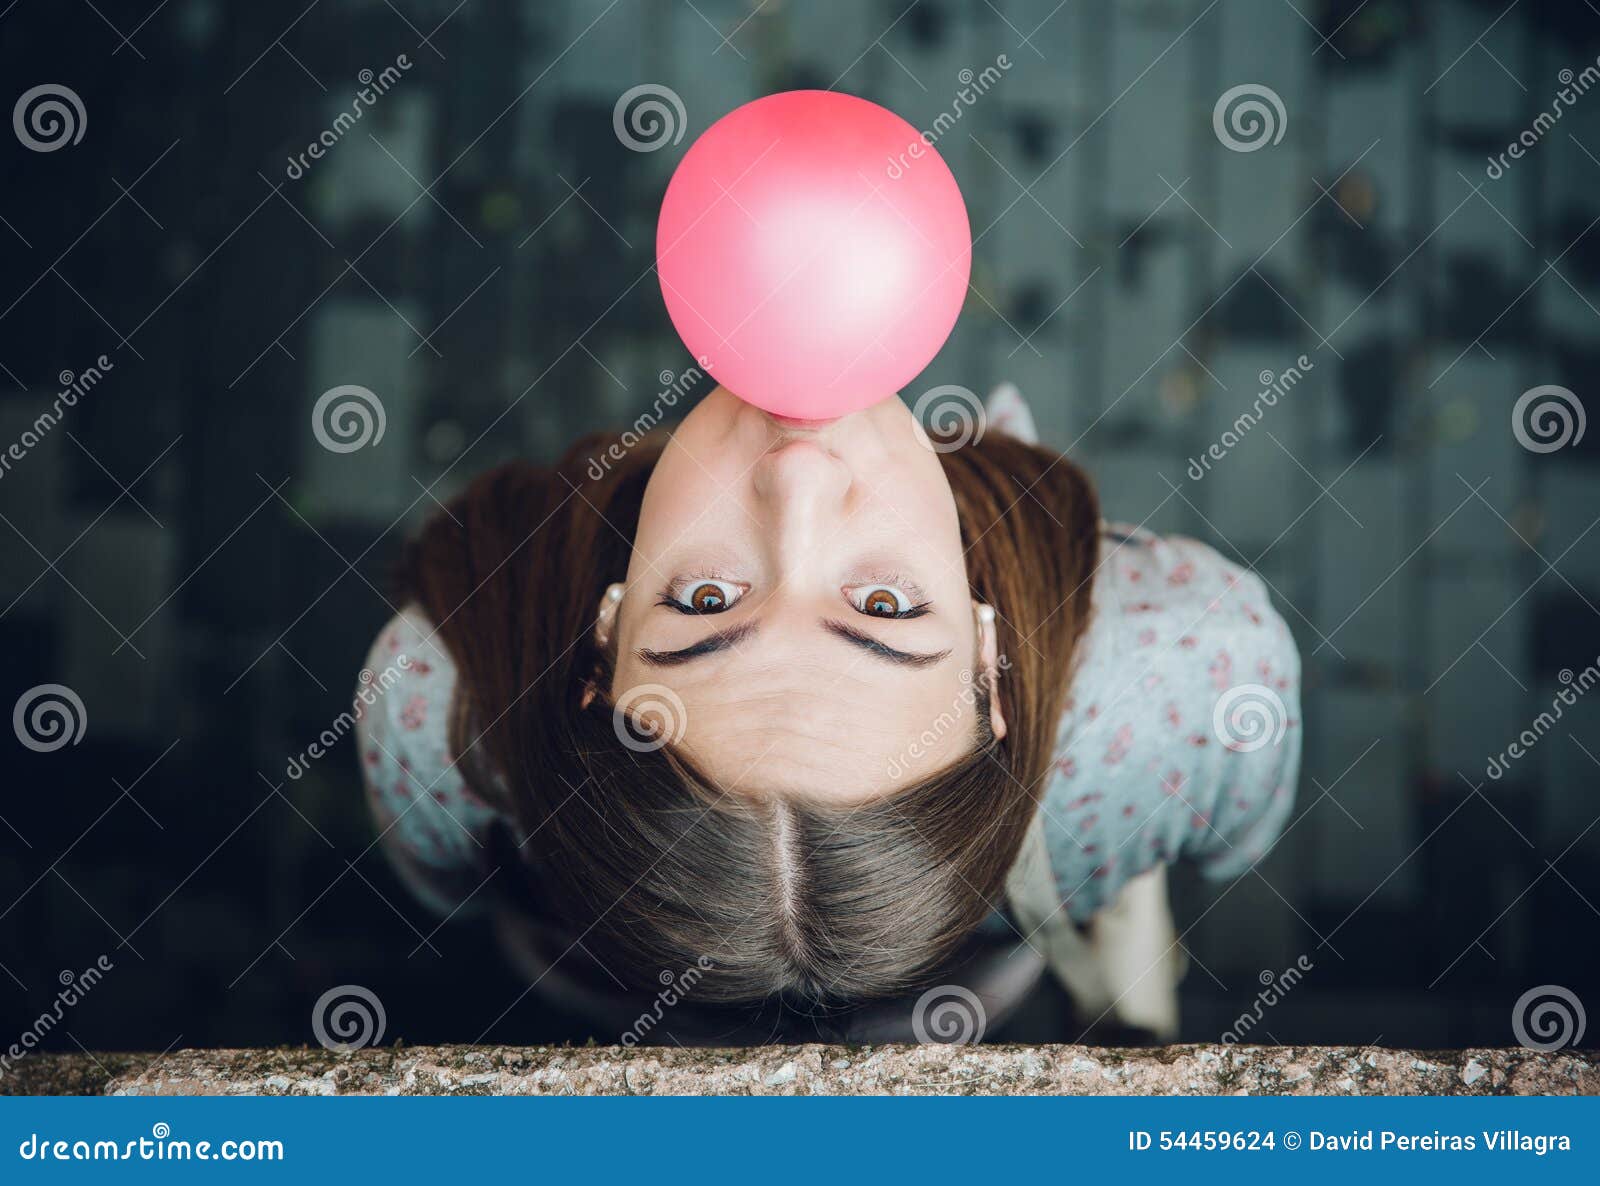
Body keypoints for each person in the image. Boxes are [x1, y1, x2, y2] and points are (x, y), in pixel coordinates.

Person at [353, 382, 1301, 1043]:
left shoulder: (434, 706)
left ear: (604, 636)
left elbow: (451, 891)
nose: (796, 477)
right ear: (990, 659)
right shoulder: (1195, 681)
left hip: (587, 983)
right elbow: (1234, 845)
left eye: (706, 602)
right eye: (885, 610)